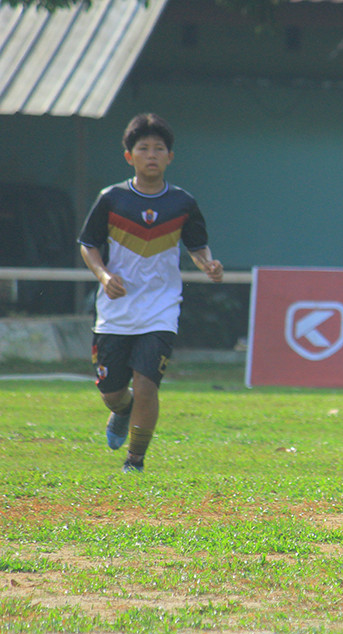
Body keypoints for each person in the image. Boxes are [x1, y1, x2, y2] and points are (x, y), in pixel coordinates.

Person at [78, 113, 224, 472]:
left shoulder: (182, 203)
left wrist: (208, 264)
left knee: (146, 385)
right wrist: (102, 274)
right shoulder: (111, 199)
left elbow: (197, 245)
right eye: (143, 148)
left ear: (170, 156)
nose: (152, 154)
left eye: (159, 148)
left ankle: (135, 460)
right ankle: (122, 412)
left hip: (161, 309)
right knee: (112, 393)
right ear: (129, 156)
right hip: (116, 310)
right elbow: (88, 244)